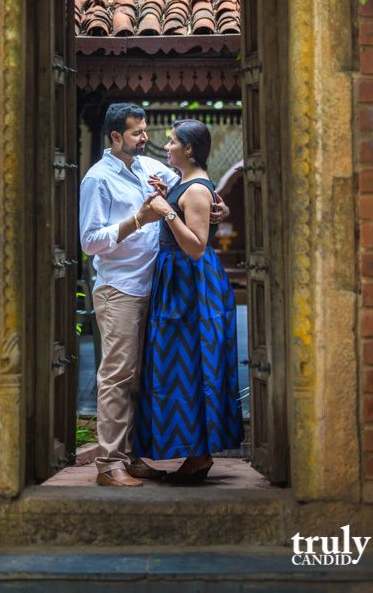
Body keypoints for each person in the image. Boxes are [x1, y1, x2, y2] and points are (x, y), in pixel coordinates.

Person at [79, 104, 228, 488]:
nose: (147, 139)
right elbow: (90, 241)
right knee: (117, 376)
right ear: (115, 137)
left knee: (145, 377)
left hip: (159, 289)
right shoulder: (97, 180)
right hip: (121, 288)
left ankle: (131, 456)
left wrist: (217, 206)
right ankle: (109, 464)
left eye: (146, 131)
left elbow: (192, 186)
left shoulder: (149, 168)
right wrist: (137, 221)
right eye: (136, 133)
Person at [133, 119, 244, 482]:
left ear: (190, 149)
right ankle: (192, 453)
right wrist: (167, 198)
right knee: (179, 364)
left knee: (195, 363)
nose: (166, 147)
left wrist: (165, 210)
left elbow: (196, 247)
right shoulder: (184, 183)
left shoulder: (195, 189)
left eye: (172, 142)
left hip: (191, 286)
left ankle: (199, 457)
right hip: (177, 283)